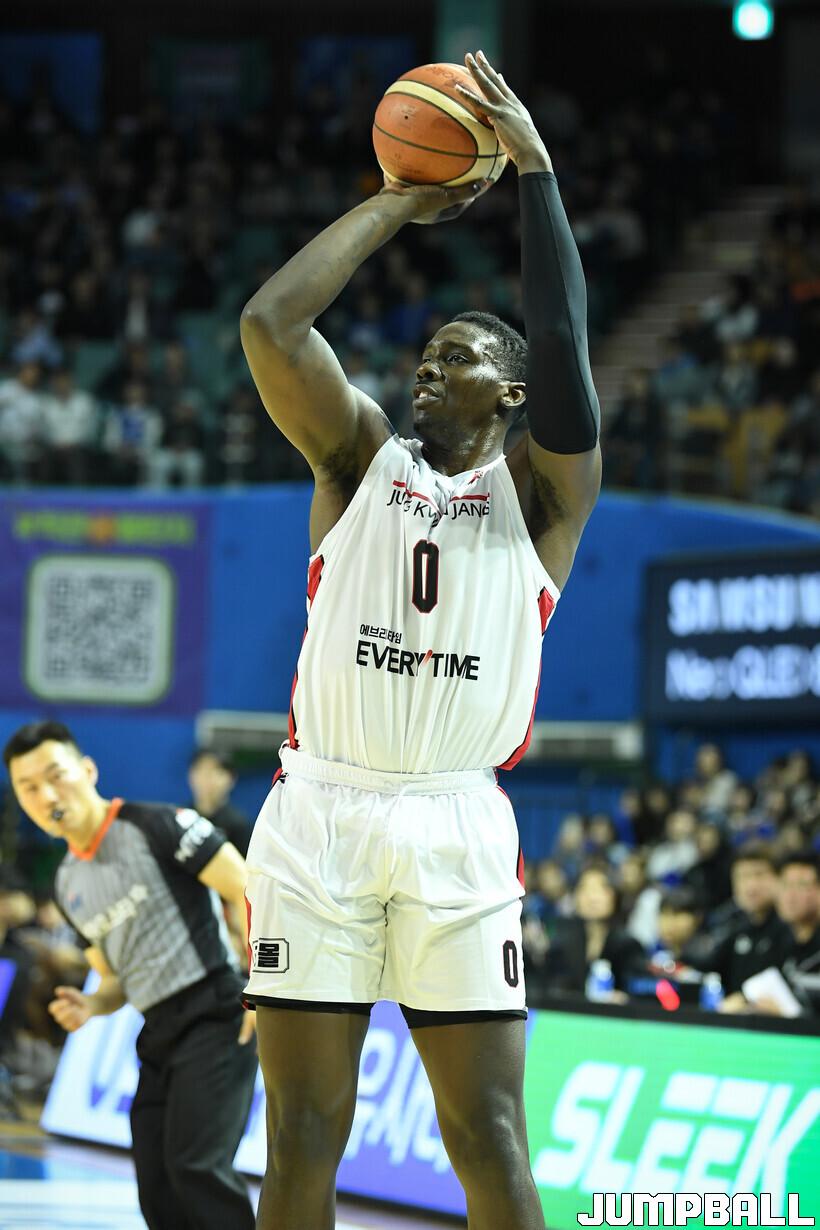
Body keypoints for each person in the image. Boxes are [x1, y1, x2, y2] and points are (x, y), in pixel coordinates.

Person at [239, 50, 601, 1230]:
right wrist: (399, 197)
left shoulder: (540, 503)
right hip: (321, 815)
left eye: (460, 356)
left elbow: (565, 347)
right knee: (300, 1137)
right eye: (426, 352)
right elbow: (271, 321)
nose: (427, 367)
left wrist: (535, 175)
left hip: (454, 825)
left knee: (486, 1135)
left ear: (512, 394)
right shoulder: (356, 463)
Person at [3, 721, 257, 1230]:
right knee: (157, 1185)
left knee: (197, 1168)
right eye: (28, 787)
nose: (46, 795)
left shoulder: (157, 825)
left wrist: (263, 985)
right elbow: (114, 979)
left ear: (88, 770)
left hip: (216, 1012)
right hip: (158, 1031)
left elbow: (248, 888)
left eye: (55, 775)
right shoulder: (67, 885)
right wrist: (93, 1004)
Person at [692, 844, 792, 1011]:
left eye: (759, 875)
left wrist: (746, 999)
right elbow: (708, 968)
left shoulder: (792, 930)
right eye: (742, 877)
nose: (751, 885)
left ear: (779, 879)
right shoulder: (737, 929)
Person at [188, 747, 252, 857]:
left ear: (231, 778)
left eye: (215, 771)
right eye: (201, 770)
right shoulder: (181, 818)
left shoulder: (239, 826)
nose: (207, 777)